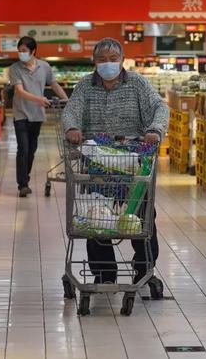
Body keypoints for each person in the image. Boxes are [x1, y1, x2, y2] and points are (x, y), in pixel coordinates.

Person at [62, 37, 169, 285]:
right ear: (94, 62)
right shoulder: (85, 86)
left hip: (134, 161)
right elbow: (71, 110)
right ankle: (104, 274)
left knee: (141, 219)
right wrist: (73, 127)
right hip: (97, 162)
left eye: (113, 59)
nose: (107, 64)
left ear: (122, 61)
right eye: (102, 60)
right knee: (96, 219)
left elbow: (159, 108)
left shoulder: (137, 84)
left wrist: (155, 129)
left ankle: (144, 268)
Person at [9, 36, 68, 197]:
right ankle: (23, 185)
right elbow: (19, 92)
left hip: (37, 115)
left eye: (24, 51)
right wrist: (39, 99)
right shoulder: (15, 68)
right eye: (19, 51)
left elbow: (53, 84)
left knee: (32, 150)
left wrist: (67, 100)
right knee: (23, 148)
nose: (21, 54)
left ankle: (25, 178)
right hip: (21, 113)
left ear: (33, 51)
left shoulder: (45, 66)